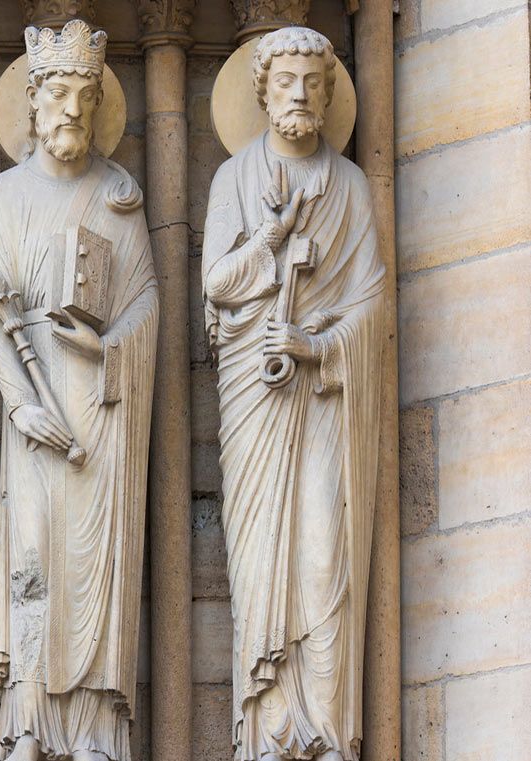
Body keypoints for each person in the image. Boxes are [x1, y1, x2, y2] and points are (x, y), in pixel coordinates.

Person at [202, 26, 385, 761]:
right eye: (287, 82)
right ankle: (269, 728)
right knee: (259, 562)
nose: (301, 94)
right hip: (254, 396)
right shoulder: (232, 180)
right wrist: (272, 240)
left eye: (314, 82)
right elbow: (214, 286)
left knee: (322, 556)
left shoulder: (348, 186)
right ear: (262, 91)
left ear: (330, 92)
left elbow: (371, 303)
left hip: (323, 399)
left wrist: (316, 345)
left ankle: (324, 729)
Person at [0, 19, 157, 761]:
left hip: (102, 406)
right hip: (37, 409)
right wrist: (20, 402)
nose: (72, 110)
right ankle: (29, 724)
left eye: (85, 96)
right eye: (58, 92)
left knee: (93, 564)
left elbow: (147, 299)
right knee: (36, 555)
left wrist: (109, 344)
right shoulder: (5, 192)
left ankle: (91, 728)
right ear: (31, 101)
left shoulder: (119, 196)